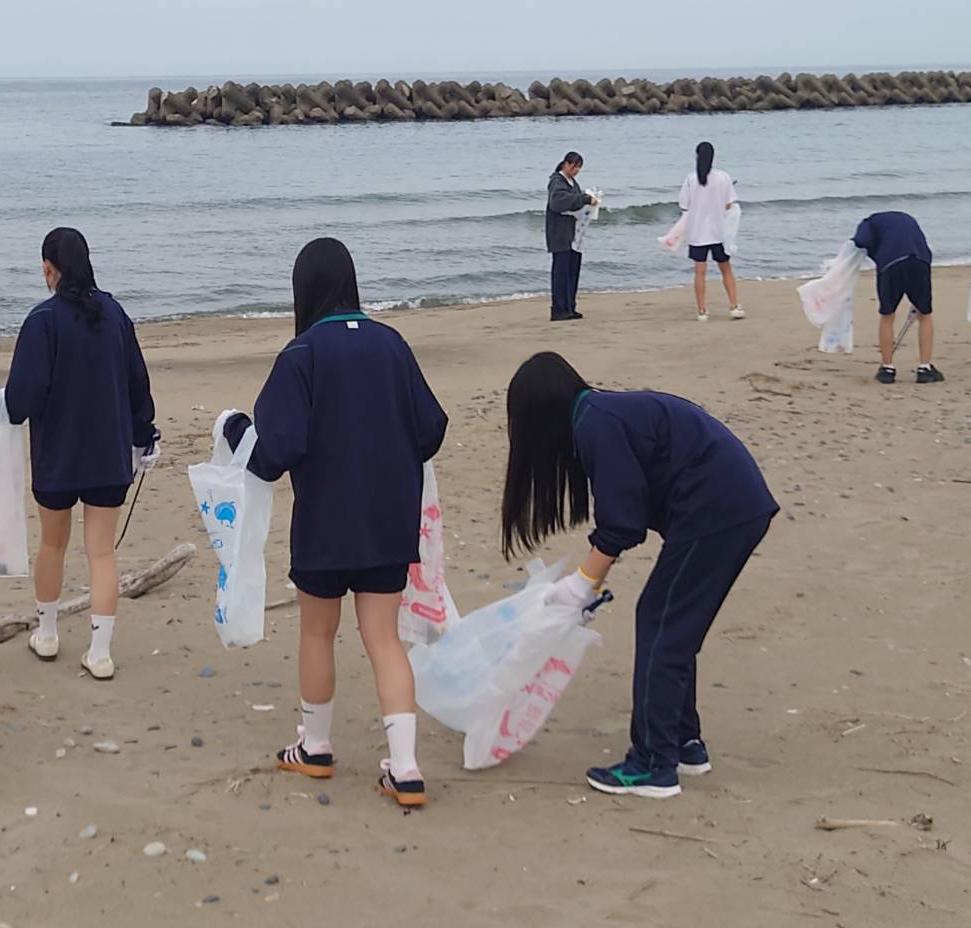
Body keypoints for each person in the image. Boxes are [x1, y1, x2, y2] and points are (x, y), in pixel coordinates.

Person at [222, 237, 448, 807]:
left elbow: (275, 452)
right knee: (383, 639)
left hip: (324, 521)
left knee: (318, 632)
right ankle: (406, 767)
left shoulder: (301, 355)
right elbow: (432, 429)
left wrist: (234, 431)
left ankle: (316, 748)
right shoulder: (391, 344)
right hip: (387, 519)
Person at [500, 352, 777, 799]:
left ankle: (652, 763)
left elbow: (622, 524)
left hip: (718, 511)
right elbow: (629, 508)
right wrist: (587, 584)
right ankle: (684, 745)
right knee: (673, 626)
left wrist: (580, 585)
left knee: (661, 624)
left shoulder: (595, 423)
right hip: (732, 506)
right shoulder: (601, 414)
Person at [0, 227, 158, 680]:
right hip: (109, 454)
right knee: (102, 553)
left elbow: (21, 401)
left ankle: (48, 633)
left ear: (50, 269)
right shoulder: (114, 314)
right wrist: (145, 435)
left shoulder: (43, 321)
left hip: (58, 455)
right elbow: (137, 383)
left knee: (53, 543)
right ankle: (100, 651)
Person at [851, 211, 942, 383]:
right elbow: (922, 244)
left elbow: (861, 241)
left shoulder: (869, 222)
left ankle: (887, 368)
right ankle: (925, 368)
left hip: (890, 265)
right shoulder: (907, 218)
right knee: (924, 314)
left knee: (887, 315)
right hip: (919, 261)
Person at [680, 142, 743, 321]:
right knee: (726, 269)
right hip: (719, 232)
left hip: (697, 232)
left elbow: (684, 205)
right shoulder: (723, 177)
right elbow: (729, 203)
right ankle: (733, 306)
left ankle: (702, 311)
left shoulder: (691, 179)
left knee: (700, 272)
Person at [545, 151, 598, 322]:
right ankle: (559, 309)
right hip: (560, 234)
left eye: (579, 169)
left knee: (572, 271)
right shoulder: (556, 181)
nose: (576, 171)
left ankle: (569, 306)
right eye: (574, 167)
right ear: (566, 164)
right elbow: (558, 203)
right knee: (561, 272)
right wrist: (583, 199)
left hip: (574, 234)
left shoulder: (572, 182)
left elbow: (574, 199)